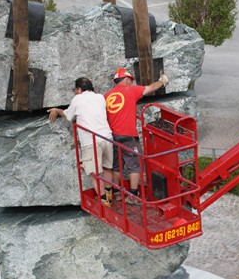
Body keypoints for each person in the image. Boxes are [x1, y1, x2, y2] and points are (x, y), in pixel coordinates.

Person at [104, 68, 168, 204]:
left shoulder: (107, 95)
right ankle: (133, 195)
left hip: (112, 135)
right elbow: (150, 88)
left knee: (116, 166)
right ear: (127, 80)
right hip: (127, 135)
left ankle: (117, 193)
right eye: (130, 80)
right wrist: (162, 81)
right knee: (135, 165)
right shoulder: (131, 90)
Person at [48, 77, 114, 207]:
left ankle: (105, 204)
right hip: (107, 137)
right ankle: (110, 196)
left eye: (75, 90)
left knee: (94, 174)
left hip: (91, 141)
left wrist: (56, 110)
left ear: (79, 89)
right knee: (107, 168)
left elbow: (68, 115)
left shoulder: (77, 99)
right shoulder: (100, 97)